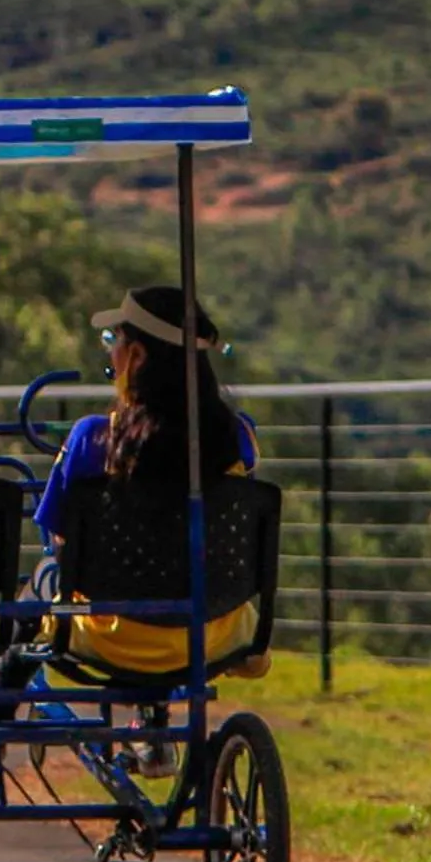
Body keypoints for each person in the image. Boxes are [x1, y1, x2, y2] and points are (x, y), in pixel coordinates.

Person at [23, 285, 266, 775]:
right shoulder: (237, 438)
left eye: (113, 339)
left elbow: (58, 538)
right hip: (211, 631)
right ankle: (152, 725)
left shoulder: (92, 438)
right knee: (173, 580)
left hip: (111, 636)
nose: (109, 350)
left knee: (44, 578)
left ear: (135, 356)